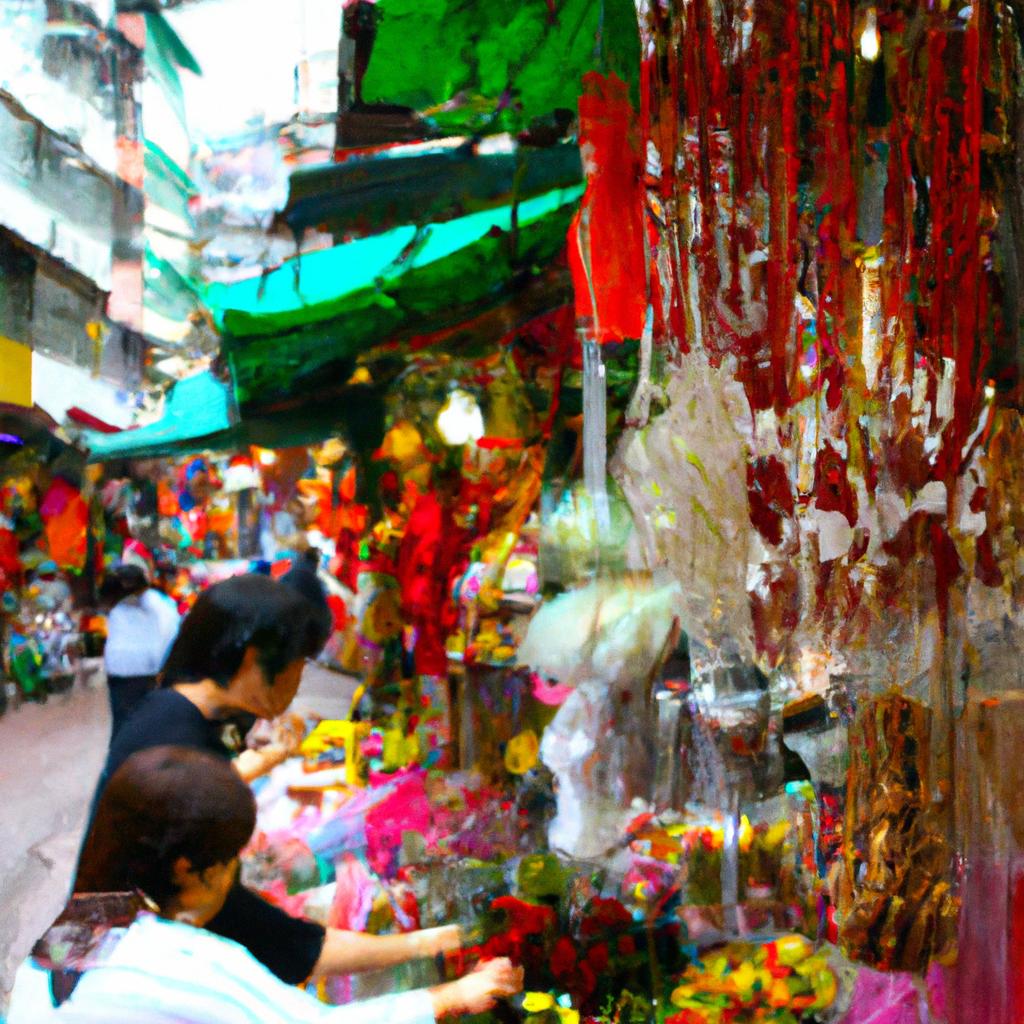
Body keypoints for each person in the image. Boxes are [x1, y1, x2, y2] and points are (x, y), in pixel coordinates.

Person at [87, 573, 462, 988]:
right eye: (298, 664)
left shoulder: (175, 714)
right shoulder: (180, 743)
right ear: (252, 661)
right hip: (118, 978)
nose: (299, 679)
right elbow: (276, 941)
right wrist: (433, 944)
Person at [13, 747, 521, 1022]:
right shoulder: (183, 961)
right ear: (189, 869)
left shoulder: (71, 930)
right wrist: (453, 995)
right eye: (232, 857)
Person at [100, 564, 180, 736]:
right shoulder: (158, 602)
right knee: (142, 724)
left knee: (127, 724)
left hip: (131, 670)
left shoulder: (125, 604)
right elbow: (171, 633)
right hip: (139, 670)